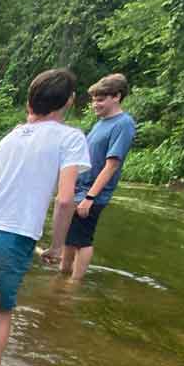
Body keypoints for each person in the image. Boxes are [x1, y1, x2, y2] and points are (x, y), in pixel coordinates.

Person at [0, 68, 90, 366]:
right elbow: (64, 200)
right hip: (15, 234)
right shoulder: (70, 137)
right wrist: (57, 247)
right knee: (1, 312)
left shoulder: (10, 137)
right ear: (69, 101)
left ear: (30, 101)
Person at [57, 73, 137, 280]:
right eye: (93, 99)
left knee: (82, 238)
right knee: (70, 235)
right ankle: (62, 274)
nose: (95, 104)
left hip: (93, 194)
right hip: (80, 189)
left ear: (117, 97)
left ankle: (73, 286)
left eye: (100, 99)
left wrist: (90, 198)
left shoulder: (124, 124)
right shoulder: (100, 123)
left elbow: (111, 165)